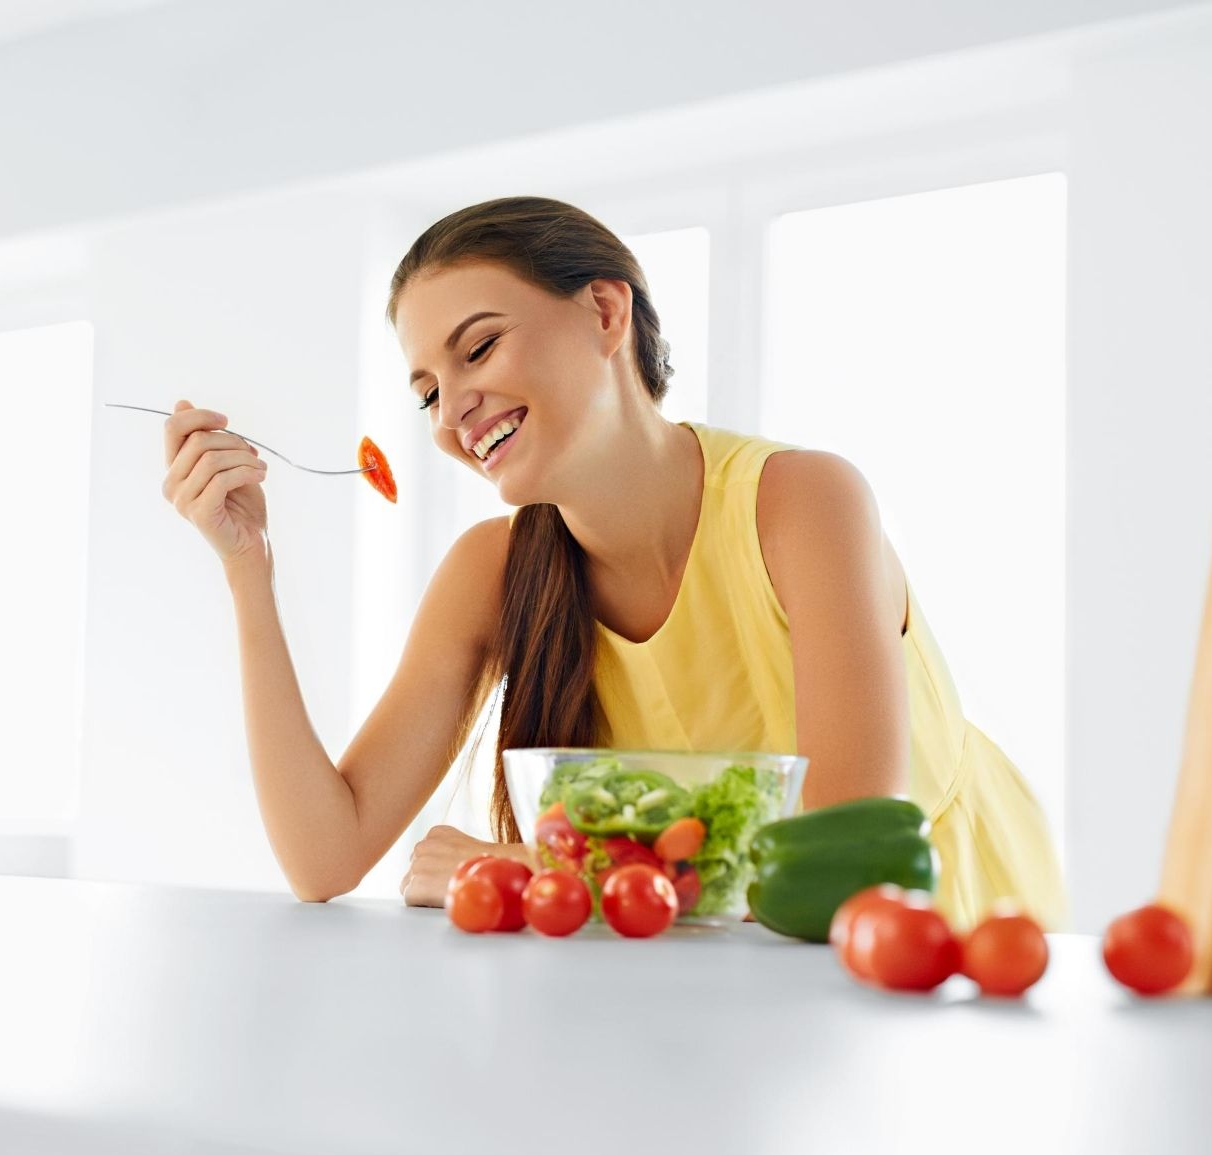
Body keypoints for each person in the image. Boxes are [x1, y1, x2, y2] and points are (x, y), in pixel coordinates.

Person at [157, 195, 1069, 933]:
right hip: (709, 979)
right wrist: (249, 569)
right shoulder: (493, 570)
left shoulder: (803, 503)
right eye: (429, 389)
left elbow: (837, 867)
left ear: (604, 311)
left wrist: (548, 872)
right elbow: (325, 857)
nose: (451, 412)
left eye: (478, 348)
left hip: (939, 942)